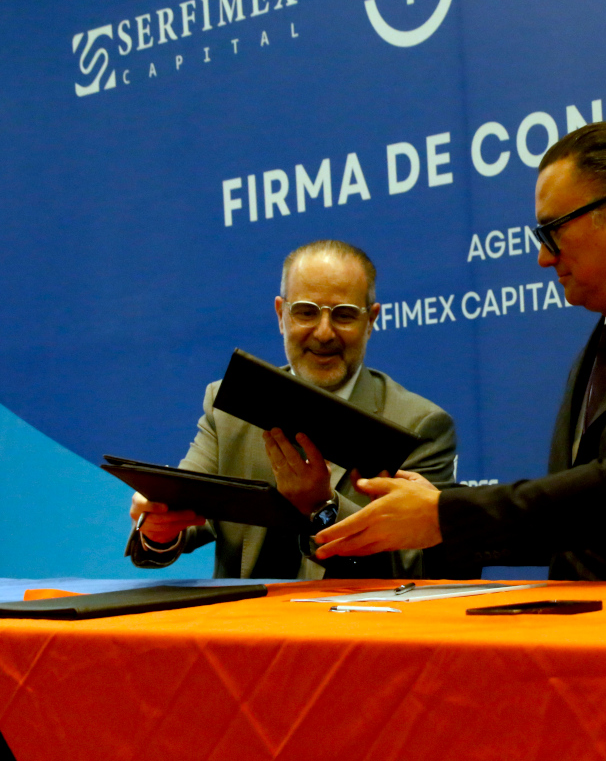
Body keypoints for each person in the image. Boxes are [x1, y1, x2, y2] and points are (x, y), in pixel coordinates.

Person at [313, 123, 606, 582]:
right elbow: (575, 522)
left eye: (552, 231)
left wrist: (445, 515)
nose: (544, 257)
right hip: (593, 631)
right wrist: (434, 513)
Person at [126, 240, 457, 579]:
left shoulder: (419, 425)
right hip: (246, 613)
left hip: (359, 612)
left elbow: (415, 564)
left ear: (370, 320)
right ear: (281, 315)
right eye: (306, 312)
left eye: (343, 315)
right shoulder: (230, 408)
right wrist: (159, 527)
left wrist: (322, 507)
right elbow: (187, 514)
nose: (324, 333)